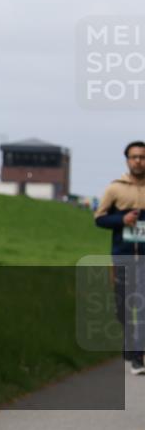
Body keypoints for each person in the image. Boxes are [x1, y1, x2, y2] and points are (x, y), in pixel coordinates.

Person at [93, 140, 145, 375]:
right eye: (134, 157)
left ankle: (137, 356)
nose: (138, 161)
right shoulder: (115, 188)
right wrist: (121, 220)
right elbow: (99, 218)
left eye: (142, 157)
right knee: (123, 306)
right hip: (122, 255)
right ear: (127, 160)